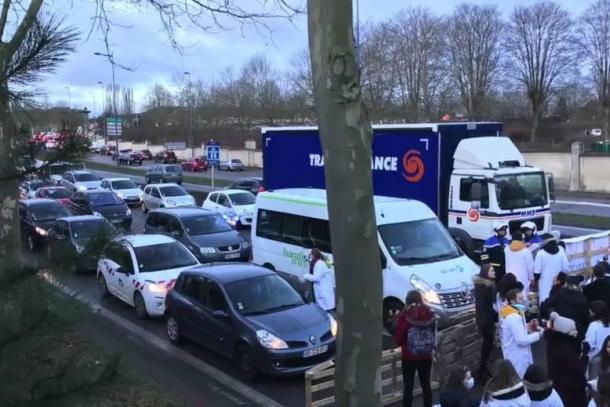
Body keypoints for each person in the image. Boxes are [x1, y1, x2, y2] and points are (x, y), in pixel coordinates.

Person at [395, 290, 436, 407]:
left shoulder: (405, 316)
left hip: (408, 356)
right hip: (426, 355)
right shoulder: (429, 312)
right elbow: (434, 333)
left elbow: (399, 338)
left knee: (408, 387)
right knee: (426, 384)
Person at [544, 312, 588, 407]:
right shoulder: (566, 351)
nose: (576, 331)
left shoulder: (553, 344)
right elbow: (579, 370)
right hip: (572, 392)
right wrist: (584, 356)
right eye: (573, 329)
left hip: (558, 387)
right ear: (564, 332)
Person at [499, 288, 543, 378]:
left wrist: (528, 326)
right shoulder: (513, 317)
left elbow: (517, 330)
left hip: (518, 356)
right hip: (517, 358)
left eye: (523, 298)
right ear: (512, 301)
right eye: (520, 298)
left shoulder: (514, 313)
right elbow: (521, 340)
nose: (523, 301)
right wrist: (539, 335)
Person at [541, 274, 590, 341]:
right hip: (574, 331)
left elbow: (545, 305)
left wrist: (550, 313)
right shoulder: (582, 298)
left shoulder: (559, 294)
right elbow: (585, 318)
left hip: (559, 329)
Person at [473, 263, 496, 380]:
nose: (494, 272)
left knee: (488, 345)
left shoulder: (490, 285)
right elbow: (480, 306)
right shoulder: (482, 287)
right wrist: (483, 323)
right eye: (492, 271)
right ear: (486, 273)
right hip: (485, 321)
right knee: (486, 346)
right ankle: (482, 371)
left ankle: (484, 368)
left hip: (489, 319)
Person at [535, 234, 570, 304]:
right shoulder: (561, 250)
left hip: (544, 283)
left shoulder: (540, 253)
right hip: (558, 281)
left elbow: (537, 272)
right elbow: (566, 268)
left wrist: (535, 282)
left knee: (544, 301)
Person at [504, 231, 534, 307]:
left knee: (511, 297)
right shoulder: (526, 251)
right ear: (522, 239)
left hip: (510, 278)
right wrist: (531, 278)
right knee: (523, 299)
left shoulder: (506, 249)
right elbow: (530, 267)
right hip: (523, 279)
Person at [302, 248, 335, 312]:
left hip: (324, 296)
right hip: (322, 295)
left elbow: (316, 278)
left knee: (327, 316)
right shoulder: (317, 263)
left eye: (310, 255)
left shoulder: (319, 264)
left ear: (313, 255)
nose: (309, 256)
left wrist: (306, 276)